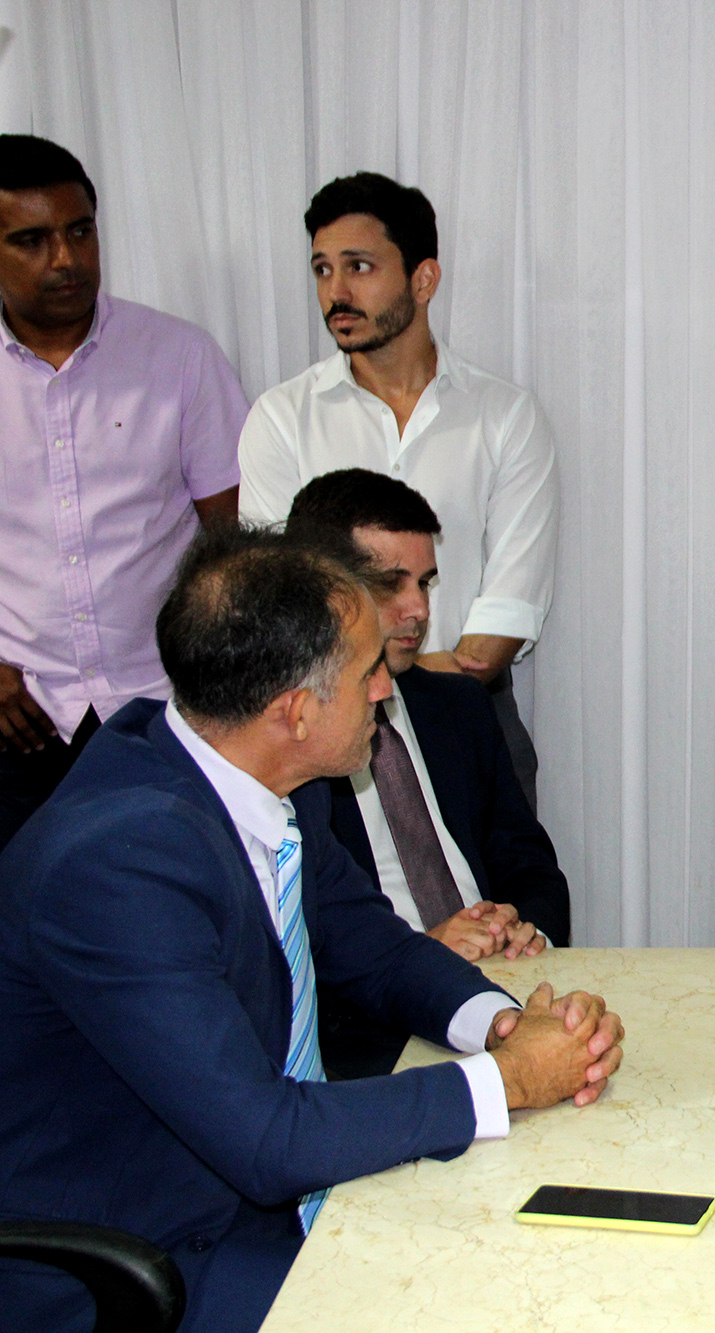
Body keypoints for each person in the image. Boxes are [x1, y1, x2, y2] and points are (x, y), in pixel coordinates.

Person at [0, 527, 622, 1333]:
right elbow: (267, 1139)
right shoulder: (118, 864)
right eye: (367, 674)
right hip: (152, 1260)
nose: (386, 690)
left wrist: (503, 1024)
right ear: (295, 712)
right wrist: (509, 1080)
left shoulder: (265, 774)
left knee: (561, 1261)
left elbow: (374, 948)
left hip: (255, 1195)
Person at [237, 171, 556, 807]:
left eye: (359, 267)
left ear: (424, 279)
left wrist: (418, 682)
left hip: (470, 715)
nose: (336, 292)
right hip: (322, 731)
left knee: (507, 870)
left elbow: (508, 610)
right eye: (322, 270)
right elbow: (275, 592)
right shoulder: (282, 417)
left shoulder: (504, 416)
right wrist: (363, 689)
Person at [0, 134, 247, 849]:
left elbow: (233, 539)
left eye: (80, 231)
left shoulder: (179, 356)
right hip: (18, 715)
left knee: (166, 896)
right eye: (32, 240)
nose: (66, 259)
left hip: (161, 708)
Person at [285, 468, 571, 1078]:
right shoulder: (299, 739)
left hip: (504, 984)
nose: (418, 609)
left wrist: (523, 927)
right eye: (390, 584)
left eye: (425, 583)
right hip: (374, 1031)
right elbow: (304, 946)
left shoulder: (457, 705)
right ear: (319, 588)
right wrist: (420, 953)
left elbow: (529, 859)